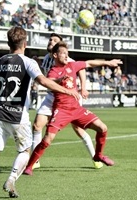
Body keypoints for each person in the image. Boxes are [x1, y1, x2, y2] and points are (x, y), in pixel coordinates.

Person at [0, 27, 79, 200]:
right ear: (25, 44)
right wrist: (67, 90)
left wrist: (1, 97)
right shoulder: (28, 62)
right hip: (19, 116)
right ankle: (11, 180)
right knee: (25, 151)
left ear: (9, 43)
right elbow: (43, 81)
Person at [23, 41, 123, 176]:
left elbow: (90, 63)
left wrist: (108, 62)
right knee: (47, 139)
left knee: (103, 128)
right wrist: (60, 80)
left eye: (67, 53)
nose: (66, 56)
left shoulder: (72, 65)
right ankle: (29, 166)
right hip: (61, 110)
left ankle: (98, 156)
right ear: (55, 55)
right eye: (63, 53)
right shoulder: (54, 70)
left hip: (77, 109)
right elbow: (49, 82)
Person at [31, 33, 103, 170]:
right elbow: (46, 77)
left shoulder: (66, 58)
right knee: (36, 126)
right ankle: (35, 161)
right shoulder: (47, 58)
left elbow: (81, 69)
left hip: (67, 98)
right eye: (50, 39)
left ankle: (95, 158)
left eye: (54, 40)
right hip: (51, 97)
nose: (51, 41)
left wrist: (83, 88)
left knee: (78, 129)